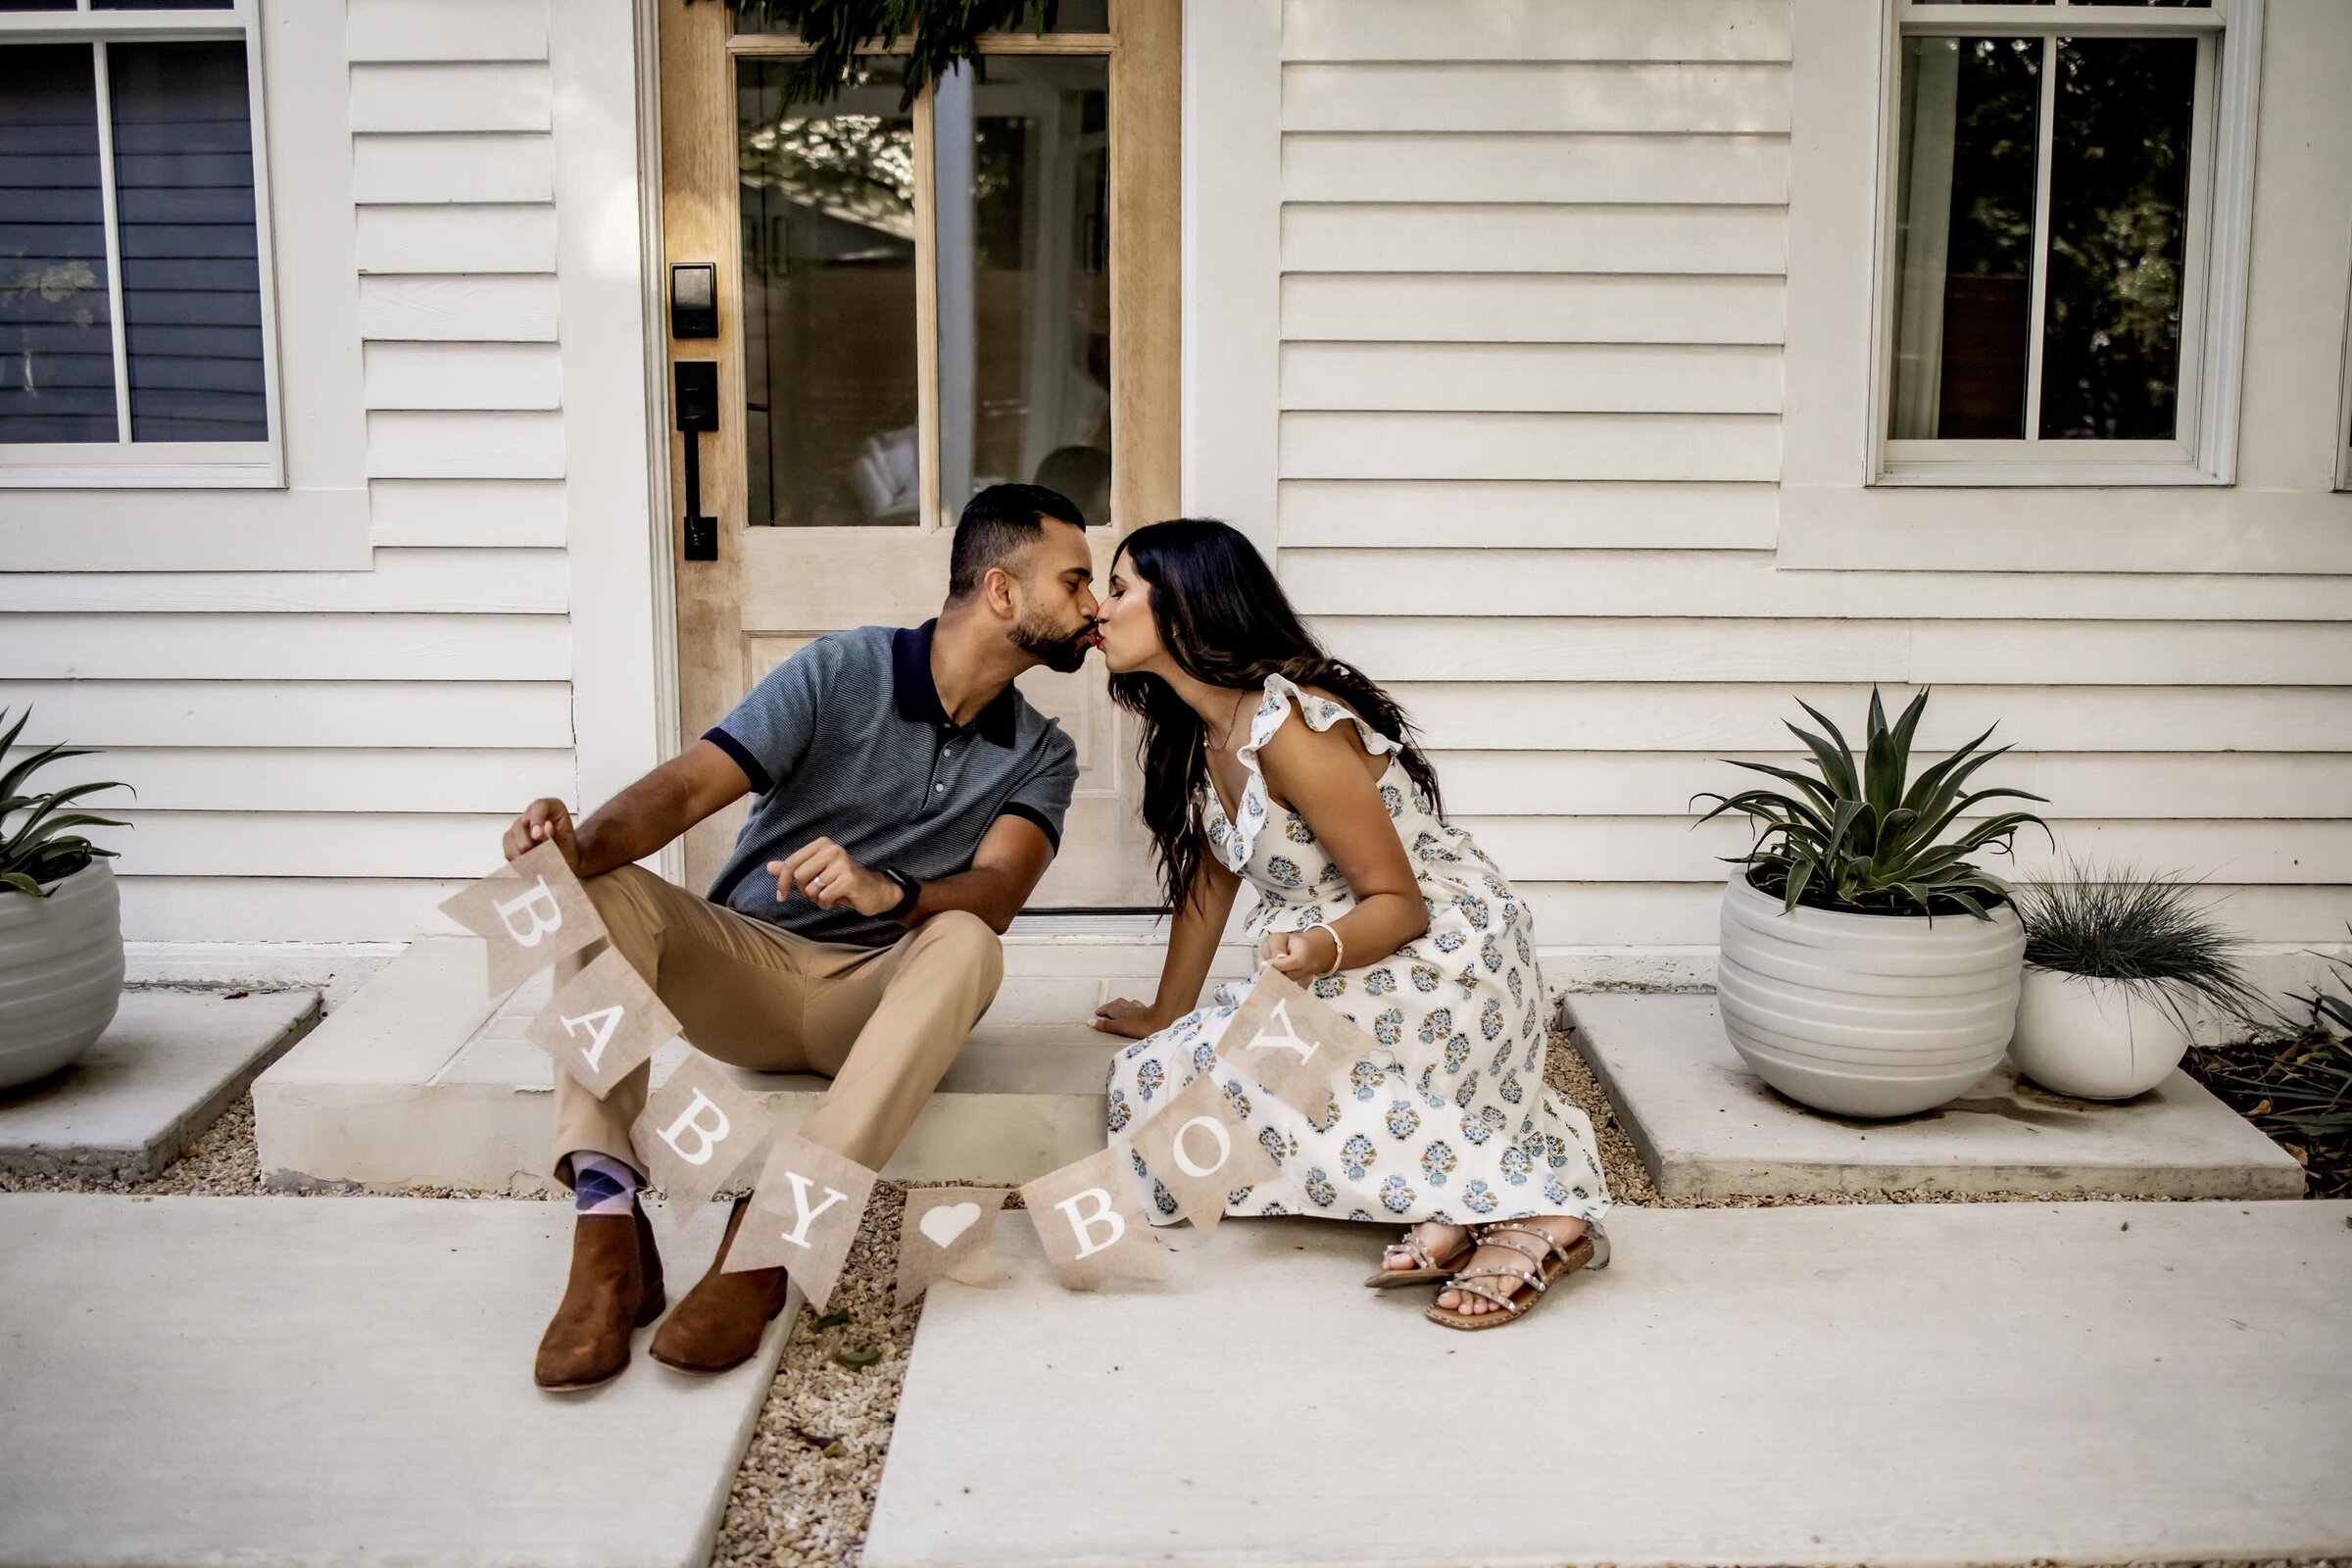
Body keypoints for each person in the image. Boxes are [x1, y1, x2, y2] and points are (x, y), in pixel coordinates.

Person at [509, 483, 1102, 1390]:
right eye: (1077, 581)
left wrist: (889, 890)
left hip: (872, 996)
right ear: (1002, 591)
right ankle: (605, 1232)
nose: (1092, 607)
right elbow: (683, 789)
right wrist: (577, 845)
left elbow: (998, 891)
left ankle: (773, 1238)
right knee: (594, 890)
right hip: (744, 971)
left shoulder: (1042, 753)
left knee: (970, 942)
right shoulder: (843, 670)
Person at [1086, 518, 1612, 1329]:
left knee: (1251, 1073)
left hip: (1441, 945)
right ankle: (1458, 1203)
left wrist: (1318, 950)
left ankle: (1532, 1206)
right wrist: (1166, 1011)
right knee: (1152, 1081)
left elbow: (1402, 904)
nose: (1098, 607)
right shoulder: (1201, 729)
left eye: (1119, 589)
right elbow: (1211, 881)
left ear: (1185, 609)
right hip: (1339, 950)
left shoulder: (1289, 726)